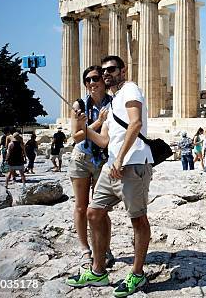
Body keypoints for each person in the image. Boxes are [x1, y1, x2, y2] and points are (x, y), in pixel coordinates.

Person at [67, 55, 153, 296]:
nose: (106, 74)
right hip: (113, 167)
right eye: (103, 71)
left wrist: (119, 158)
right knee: (94, 213)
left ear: (123, 70)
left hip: (133, 164)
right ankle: (98, 271)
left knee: (138, 220)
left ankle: (137, 274)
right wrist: (85, 127)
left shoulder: (131, 89)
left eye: (111, 69)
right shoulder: (113, 101)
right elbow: (104, 140)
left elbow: (135, 124)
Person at [68, 65, 114, 271]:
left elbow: (105, 138)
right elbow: (76, 136)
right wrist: (96, 123)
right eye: (88, 80)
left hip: (102, 159)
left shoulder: (113, 103)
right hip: (80, 158)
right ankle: (85, 248)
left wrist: (88, 127)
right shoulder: (79, 105)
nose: (92, 83)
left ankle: (104, 249)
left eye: (95, 78)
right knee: (81, 206)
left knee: (100, 209)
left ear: (103, 81)